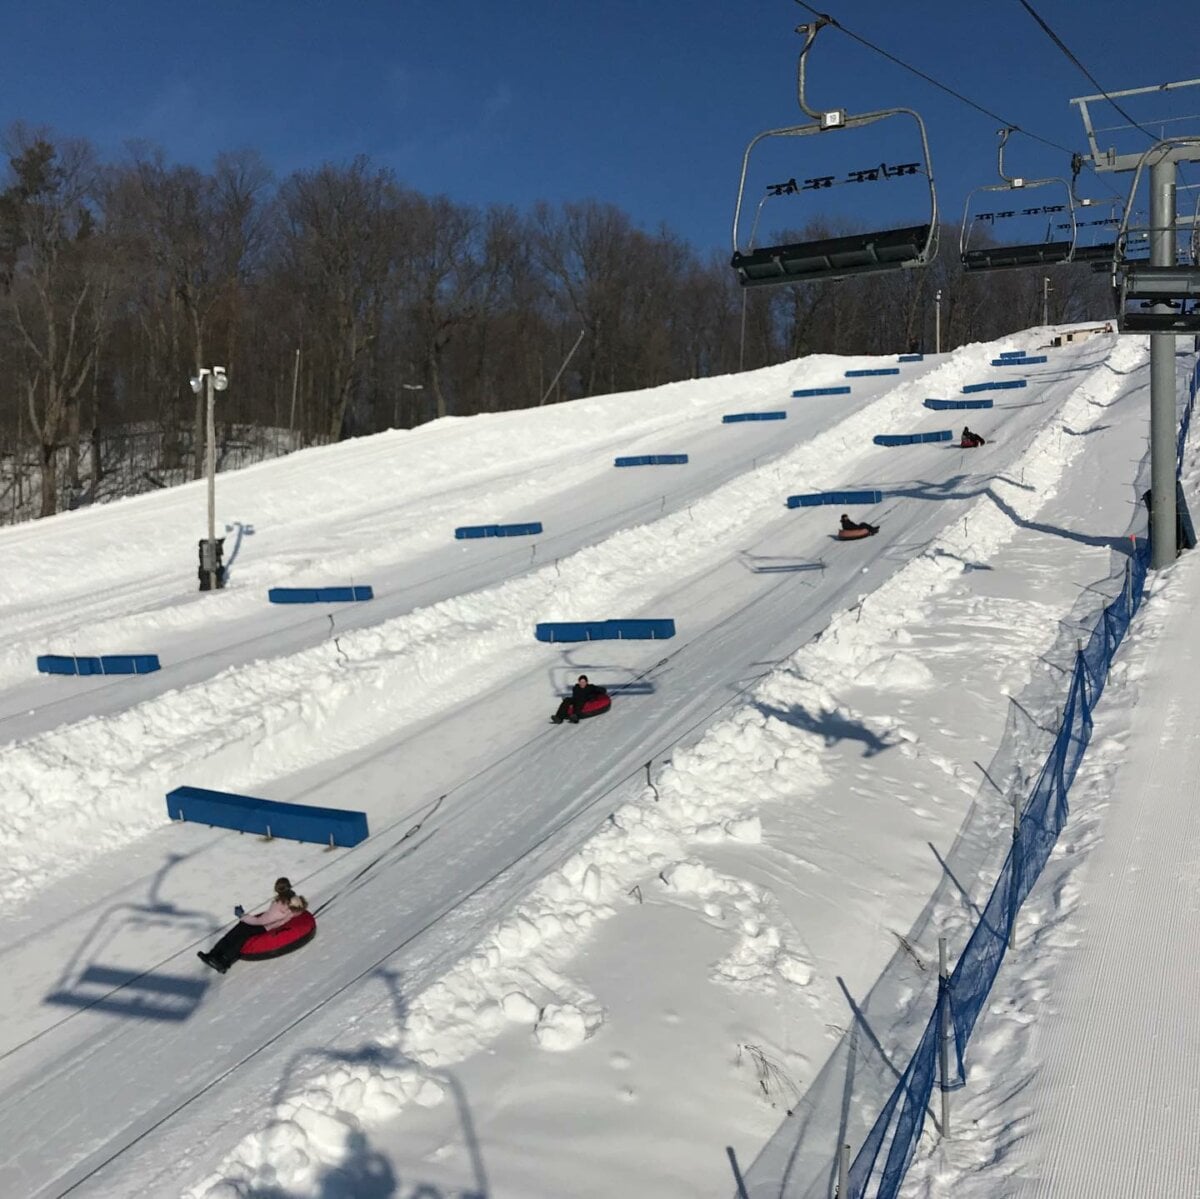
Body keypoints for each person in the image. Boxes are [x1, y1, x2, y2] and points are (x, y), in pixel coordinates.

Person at [199, 884, 298, 974]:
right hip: (264, 922)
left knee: (242, 934)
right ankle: (213, 954)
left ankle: (224, 961)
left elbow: (262, 921)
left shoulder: (282, 908)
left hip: (265, 926)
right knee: (237, 929)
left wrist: (242, 915)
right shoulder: (285, 901)